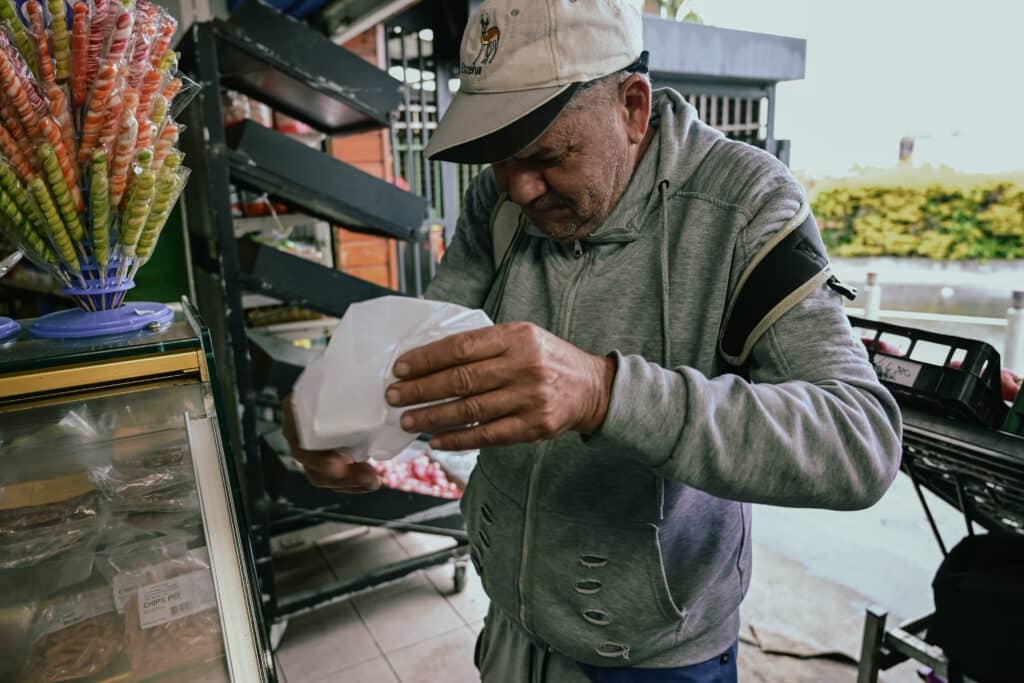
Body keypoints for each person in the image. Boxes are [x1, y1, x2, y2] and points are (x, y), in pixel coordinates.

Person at [284, 0, 903, 680]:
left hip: (655, 654)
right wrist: (333, 403)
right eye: (499, 159)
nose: (518, 187)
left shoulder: (746, 207)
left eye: (548, 154)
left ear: (633, 107)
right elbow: (427, 342)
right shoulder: (506, 202)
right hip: (513, 622)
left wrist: (606, 393)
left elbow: (859, 441)